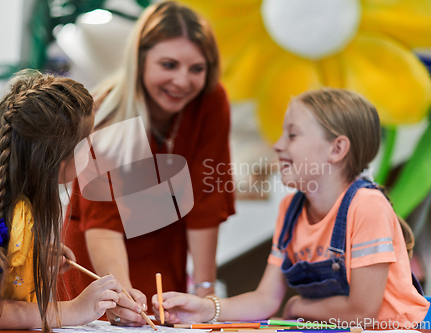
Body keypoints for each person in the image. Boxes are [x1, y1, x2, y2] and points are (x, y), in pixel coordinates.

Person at [151, 88, 431, 327]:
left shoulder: (367, 206)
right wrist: (206, 309)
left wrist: (300, 306)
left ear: (336, 149)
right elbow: (265, 299)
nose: (277, 145)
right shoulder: (291, 209)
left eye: (292, 135)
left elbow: (362, 314)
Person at [57, 0, 235, 326]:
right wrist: (120, 294)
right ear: (139, 61)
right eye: (169, 65)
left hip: (164, 248)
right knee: (117, 320)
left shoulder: (211, 101)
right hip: (99, 253)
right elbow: (104, 223)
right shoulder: (107, 114)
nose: (183, 81)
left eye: (197, 68)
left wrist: (206, 295)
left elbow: (206, 202)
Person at [0, 70, 123, 333]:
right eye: (86, 143)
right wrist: (73, 309)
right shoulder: (15, 214)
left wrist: (28, 258)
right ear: (56, 161)